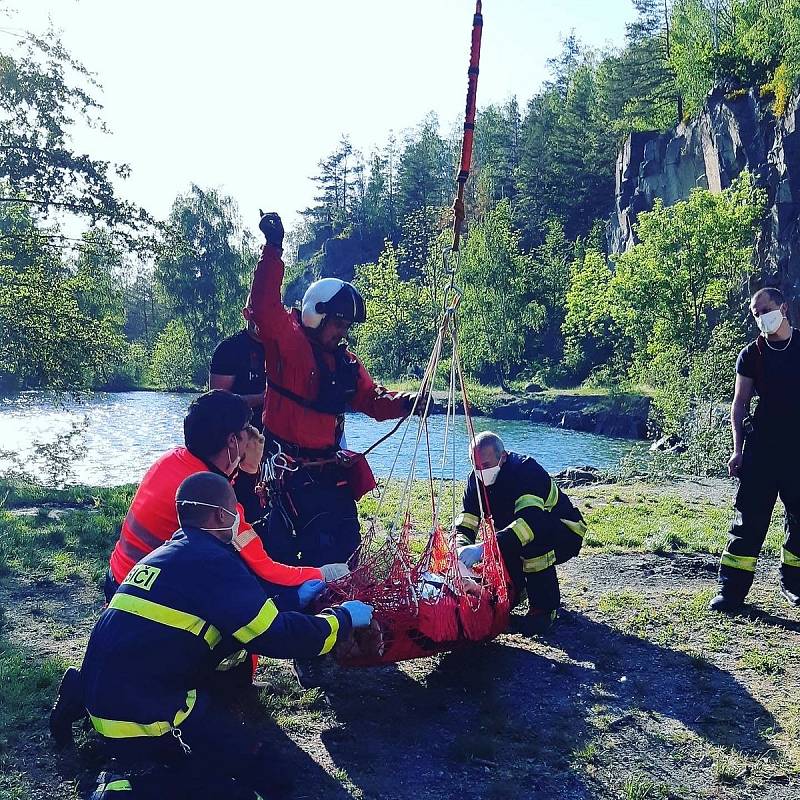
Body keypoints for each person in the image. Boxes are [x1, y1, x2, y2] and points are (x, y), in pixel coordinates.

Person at [76, 473, 375, 799]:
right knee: (261, 780)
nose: (240, 520)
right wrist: (343, 618)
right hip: (143, 715)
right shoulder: (214, 560)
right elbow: (275, 636)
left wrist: (292, 599)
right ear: (221, 515)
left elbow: (236, 610)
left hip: (111, 697)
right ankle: (121, 792)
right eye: (237, 511)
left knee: (254, 761)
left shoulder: (169, 554)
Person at [249, 212, 422, 571]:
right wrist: (273, 250)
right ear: (317, 314)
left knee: (345, 541)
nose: (342, 332)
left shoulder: (346, 363)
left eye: (346, 326)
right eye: (338, 324)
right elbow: (265, 305)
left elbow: (372, 400)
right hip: (286, 471)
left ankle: (340, 606)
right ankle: (303, 609)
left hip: (328, 469)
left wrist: (408, 402)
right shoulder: (288, 343)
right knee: (291, 548)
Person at [104, 389, 348, 603]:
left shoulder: (173, 460)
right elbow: (265, 568)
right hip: (147, 597)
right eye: (246, 430)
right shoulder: (213, 498)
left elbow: (241, 511)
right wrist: (324, 574)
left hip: (121, 578)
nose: (253, 434)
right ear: (233, 441)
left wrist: (250, 469)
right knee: (250, 592)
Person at [710, 287, 800, 612]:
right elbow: (739, 404)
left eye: (766, 309)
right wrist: (737, 450)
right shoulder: (752, 354)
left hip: (797, 451)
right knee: (748, 520)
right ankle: (730, 591)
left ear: (784, 308)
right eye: (756, 313)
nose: (762, 317)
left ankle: (794, 584)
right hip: (761, 447)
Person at [455, 431, 586, 635]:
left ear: (503, 456)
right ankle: (517, 591)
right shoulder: (475, 479)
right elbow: (468, 519)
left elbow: (530, 523)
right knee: (506, 548)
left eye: (486, 465)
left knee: (531, 543)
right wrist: (460, 547)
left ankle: (544, 610)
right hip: (520, 529)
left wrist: (484, 547)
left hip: (565, 531)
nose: (481, 471)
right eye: (476, 465)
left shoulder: (526, 471)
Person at [209, 298, 267, 432]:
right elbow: (217, 402)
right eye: (261, 313)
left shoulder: (281, 348)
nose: (266, 320)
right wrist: (261, 398)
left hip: (274, 438)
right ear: (247, 314)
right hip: (239, 435)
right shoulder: (229, 349)